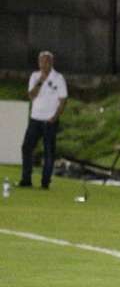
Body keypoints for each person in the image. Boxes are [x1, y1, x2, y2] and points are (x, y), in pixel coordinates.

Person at [20, 50, 67, 189]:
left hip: (49, 120)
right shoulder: (34, 76)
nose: (43, 64)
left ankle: (45, 182)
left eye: (46, 61)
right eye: (41, 61)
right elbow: (31, 96)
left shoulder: (58, 78)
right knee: (26, 148)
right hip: (35, 119)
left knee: (49, 152)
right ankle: (26, 179)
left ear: (51, 63)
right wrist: (41, 81)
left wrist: (56, 116)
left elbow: (63, 99)